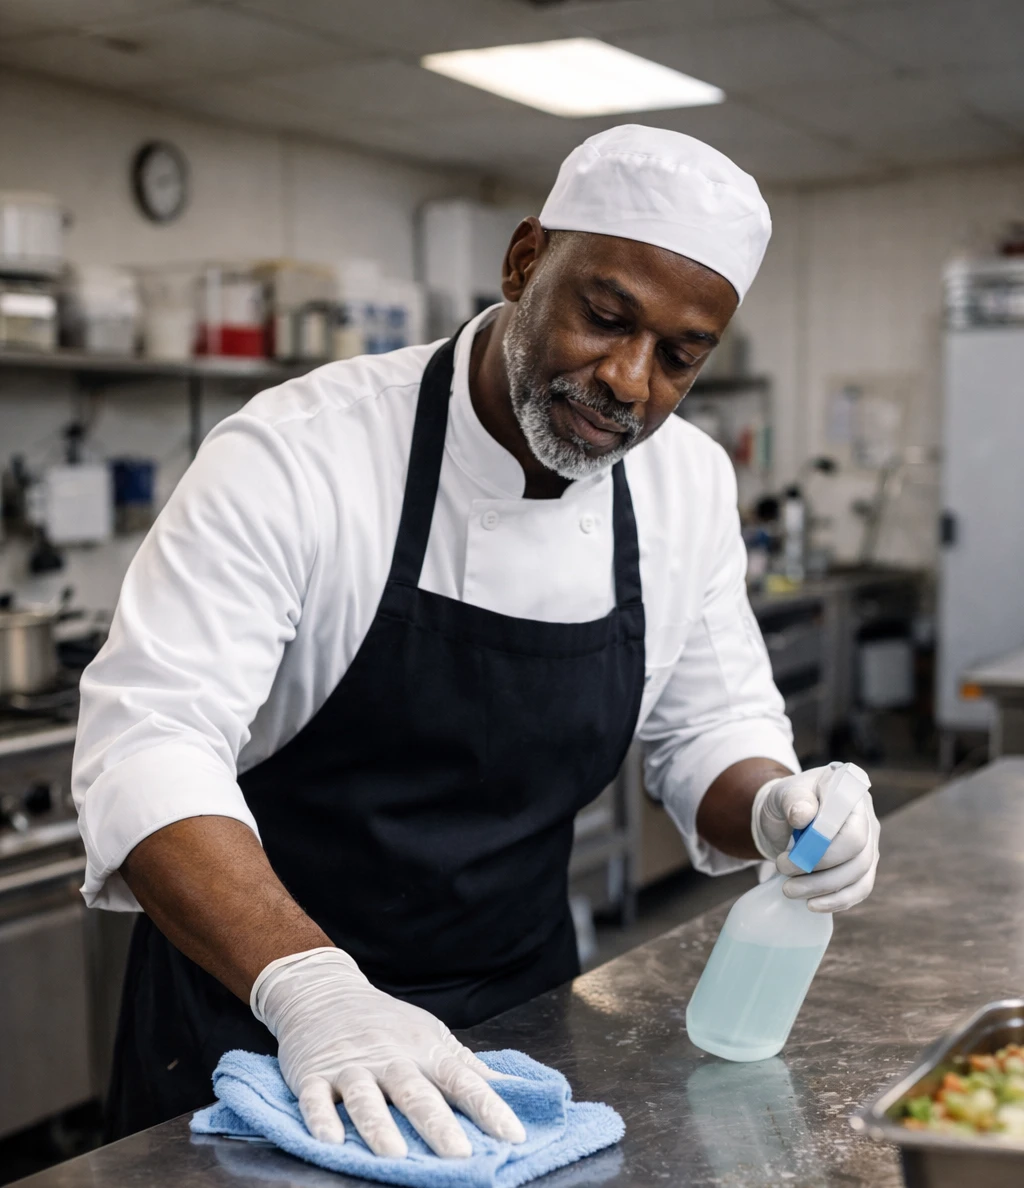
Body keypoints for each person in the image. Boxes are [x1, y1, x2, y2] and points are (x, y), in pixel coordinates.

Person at [73, 125, 880, 1158]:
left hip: (514, 1030)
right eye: (604, 318)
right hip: (254, 1020)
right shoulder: (300, 455)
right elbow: (148, 746)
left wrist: (778, 805)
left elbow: (710, 724)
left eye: (679, 357)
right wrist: (316, 992)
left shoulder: (686, 483)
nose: (630, 383)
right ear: (524, 260)